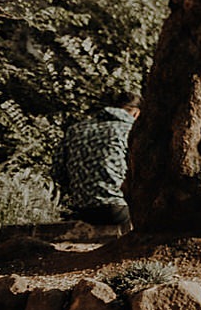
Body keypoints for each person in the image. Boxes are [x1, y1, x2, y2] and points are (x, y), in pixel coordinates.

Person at [55, 91, 139, 229]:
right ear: (136, 113)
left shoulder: (75, 129)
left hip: (83, 210)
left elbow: (58, 173)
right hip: (119, 209)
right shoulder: (130, 130)